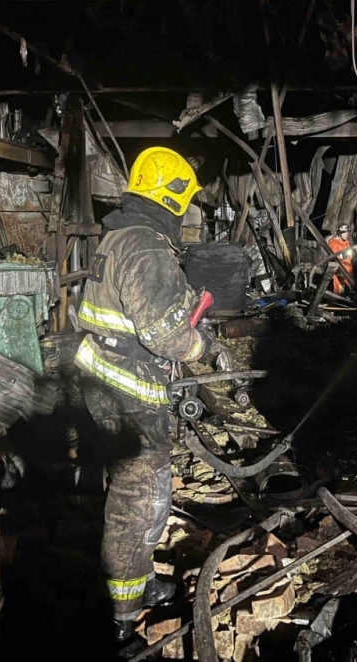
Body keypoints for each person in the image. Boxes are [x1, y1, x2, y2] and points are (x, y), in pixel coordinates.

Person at [74, 146, 226, 656]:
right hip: (130, 395)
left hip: (103, 382)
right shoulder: (146, 247)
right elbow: (163, 333)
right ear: (173, 197)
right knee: (138, 505)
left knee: (130, 494)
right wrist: (204, 346)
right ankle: (122, 614)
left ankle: (133, 584)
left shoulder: (120, 236)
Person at [327, 224, 354, 294]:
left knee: (349, 294)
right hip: (339, 274)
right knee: (339, 294)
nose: (346, 234)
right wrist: (343, 256)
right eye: (343, 232)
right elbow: (335, 257)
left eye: (347, 232)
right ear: (339, 233)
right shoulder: (334, 243)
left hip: (348, 274)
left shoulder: (347, 243)